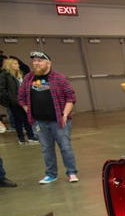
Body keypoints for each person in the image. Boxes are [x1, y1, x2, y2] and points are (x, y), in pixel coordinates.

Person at [18, 51, 79, 184]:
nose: (36, 63)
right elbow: (21, 98)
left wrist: (64, 115)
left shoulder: (59, 78)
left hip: (58, 121)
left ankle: (72, 172)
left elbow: (71, 97)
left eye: (40, 60)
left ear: (48, 63)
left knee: (65, 147)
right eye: (34, 61)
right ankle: (51, 174)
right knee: (46, 149)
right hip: (39, 122)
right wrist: (30, 112)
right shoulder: (28, 78)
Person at [0, 57, 38, 145]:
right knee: (18, 120)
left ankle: (30, 136)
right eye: (15, 64)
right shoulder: (4, 75)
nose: (18, 65)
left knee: (27, 119)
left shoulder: (21, 74)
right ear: (10, 65)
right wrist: (10, 99)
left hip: (24, 100)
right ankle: (21, 138)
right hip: (14, 102)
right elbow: (1, 89)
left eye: (17, 63)